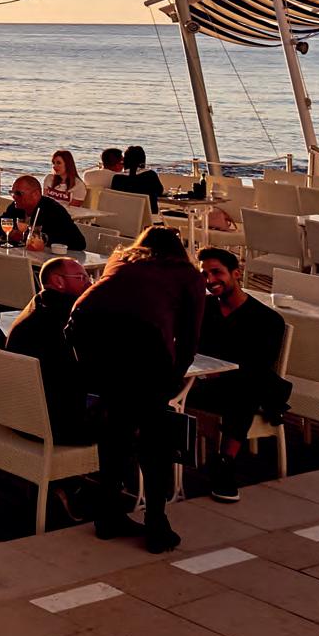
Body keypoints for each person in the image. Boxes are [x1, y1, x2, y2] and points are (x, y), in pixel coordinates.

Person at [68, 227, 205, 553]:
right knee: (155, 439)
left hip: (86, 330)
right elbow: (189, 339)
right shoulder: (187, 275)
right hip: (144, 343)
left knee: (115, 428)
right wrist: (172, 380)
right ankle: (156, 522)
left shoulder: (121, 260)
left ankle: (108, 514)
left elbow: (94, 307)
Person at [196, 248, 290, 503]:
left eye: (217, 272)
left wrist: (218, 373)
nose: (210, 279)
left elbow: (260, 365)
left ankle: (225, 462)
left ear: (236, 274)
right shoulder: (202, 308)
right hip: (200, 383)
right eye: (204, 274)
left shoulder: (267, 320)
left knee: (246, 387)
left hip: (240, 386)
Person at [6, 257, 92, 443]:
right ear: (58, 281)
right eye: (82, 278)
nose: (90, 283)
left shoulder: (35, 306)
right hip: (54, 425)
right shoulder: (66, 318)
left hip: (18, 415)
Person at [1, 176, 86, 251]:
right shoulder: (16, 207)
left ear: (36, 194)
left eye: (18, 193)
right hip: (23, 255)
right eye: (12, 193)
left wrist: (43, 239)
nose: (14, 197)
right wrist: (11, 233)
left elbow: (79, 243)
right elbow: (0, 224)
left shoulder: (53, 210)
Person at [110, 145, 165, 211]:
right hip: (148, 215)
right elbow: (160, 191)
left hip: (124, 214)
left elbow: (114, 198)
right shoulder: (150, 175)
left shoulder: (117, 178)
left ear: (125, 160)